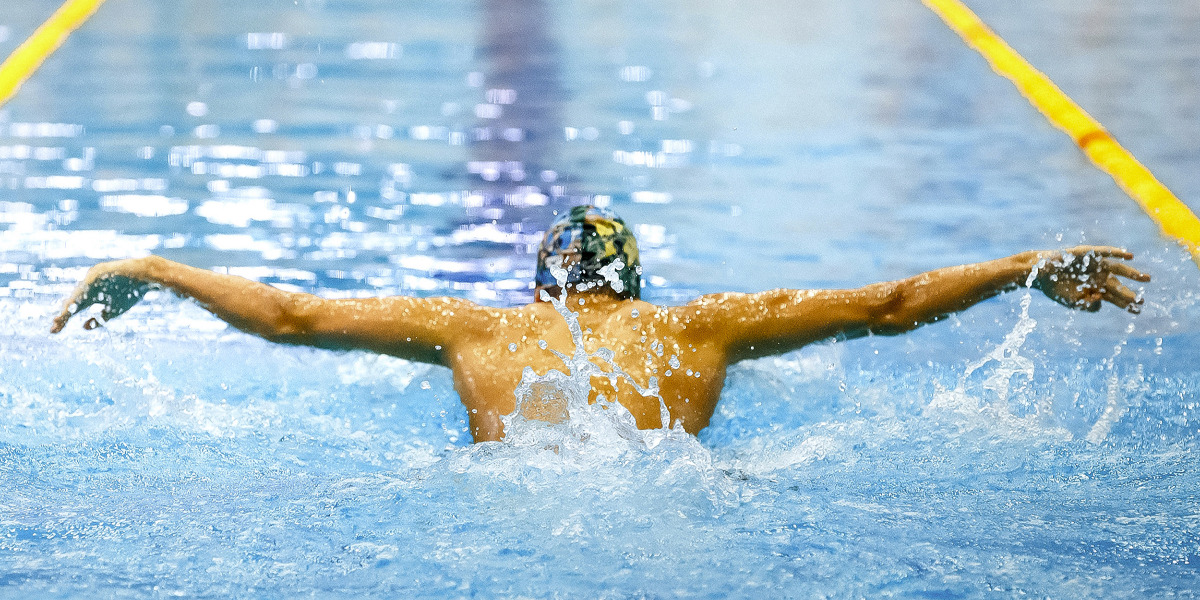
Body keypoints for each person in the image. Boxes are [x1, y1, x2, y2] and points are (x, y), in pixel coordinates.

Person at [50, 205, 1150, 442]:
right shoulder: (707, 327)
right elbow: (890, 306)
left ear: (543, 288)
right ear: (632, 279)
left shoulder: (474, 332)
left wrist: (154, 266)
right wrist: (1020, 267)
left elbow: (291, 317)